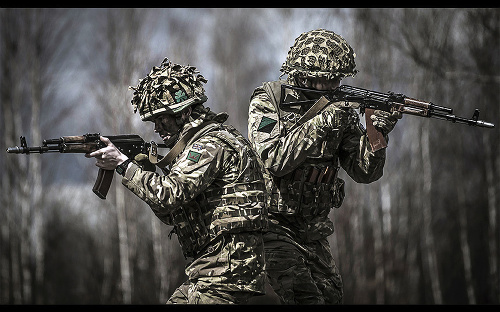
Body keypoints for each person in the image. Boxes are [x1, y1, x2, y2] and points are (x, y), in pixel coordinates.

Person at [86, 58, 271, 304]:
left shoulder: (208, 145)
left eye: (162, 119)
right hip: (214, 271)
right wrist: (144, 168)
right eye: (153, 121)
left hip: (224, 273)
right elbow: (171, 213)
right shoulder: (206, 143)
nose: (157, 128)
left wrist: (123, 164)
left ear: (184, 111)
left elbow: (168, 195)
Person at [247, 29, 401, 304]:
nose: (333, 86)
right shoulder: (270, 99)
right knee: (306, 297)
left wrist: (377, 135)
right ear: (303, 74)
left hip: (314, 229)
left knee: (331, 297)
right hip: (272, 225)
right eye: (326, 80)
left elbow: (365, 172)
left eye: (337, 79)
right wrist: (323, 122)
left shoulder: (336, 109)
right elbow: (274, 158)